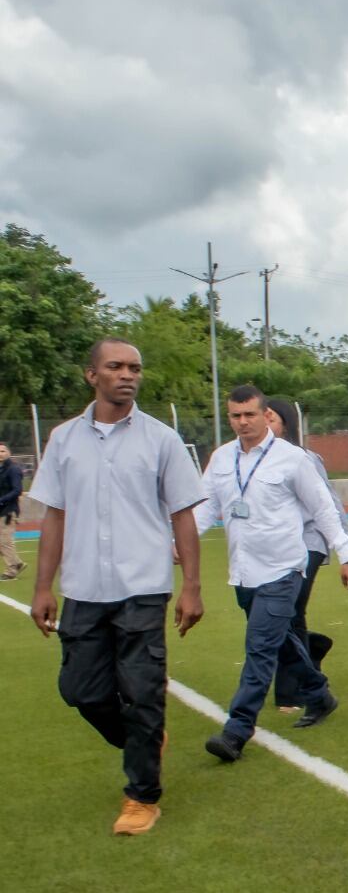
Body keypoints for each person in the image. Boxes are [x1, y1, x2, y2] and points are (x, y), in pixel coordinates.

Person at [27, 338, 205, 835]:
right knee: (80, 690)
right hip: (83, 588)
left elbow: (183, 516)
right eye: (116, 366)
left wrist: (191, 586)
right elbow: (54, 516)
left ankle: (141, 797)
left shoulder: (161, 440)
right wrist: (43, 587)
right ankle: (144, 741)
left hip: (142, 588)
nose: (128, 375)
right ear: (92, 375)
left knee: (143, 691)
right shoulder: (63, 440)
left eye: (135, 368)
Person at [194, 386, 348, 762]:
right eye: (235, 416)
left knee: (259, 648)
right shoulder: (221, 459)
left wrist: (346, 553)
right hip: (243, 573)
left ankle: (236, 731)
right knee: (280, 640)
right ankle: (319, 694)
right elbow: (206, 509)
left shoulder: (292, 459)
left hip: (284, 570)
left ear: (264, 413)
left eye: (249, 414)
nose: (242, 422)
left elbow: (323, 509)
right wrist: (178, 541)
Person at [261, 398, 348, 712]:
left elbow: (328, 503)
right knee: (285, 615)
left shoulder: (304, 458)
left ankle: (291, 692)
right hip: (277, 547)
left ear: (286, 424)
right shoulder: (255, 463)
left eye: (271, 419)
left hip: (310, 543)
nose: (265, 425)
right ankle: (313, 649)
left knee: (288, 612)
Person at [0, 442, 24, 579]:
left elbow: (17, 490)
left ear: (8, 452)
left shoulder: (13, 469)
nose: (0, 454)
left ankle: (11, 570)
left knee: (5, 541)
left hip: (8, 510)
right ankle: (17, 562)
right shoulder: (1, 470)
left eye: (3, 451)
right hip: (1, 510)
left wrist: (2, 500)